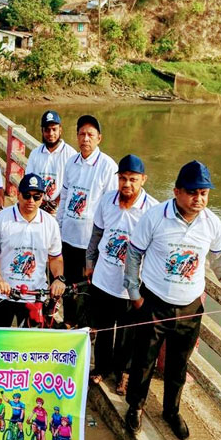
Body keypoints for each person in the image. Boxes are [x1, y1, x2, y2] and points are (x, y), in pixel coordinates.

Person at [123, 161, 221, 440]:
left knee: (179, 364)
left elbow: (220, 259)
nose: (199, 199)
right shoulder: (155, 217)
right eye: (192, 192)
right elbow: (133, 254)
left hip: (190, 307)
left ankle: (171, 410)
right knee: (144, 359)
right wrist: (135, 294)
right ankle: (136, 407)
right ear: (176, 191)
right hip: (154, 302)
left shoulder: (211, 222)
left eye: (204, 193)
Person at [84, 155, 158, 394]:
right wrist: (89, 261)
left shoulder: (152, 210)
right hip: (104, 277)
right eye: (123, 179)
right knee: (103, 328)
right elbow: (96, 234)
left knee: (128, 333)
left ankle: (123, 373)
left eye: (133, 180)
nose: (127, 184)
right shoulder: (107, 201)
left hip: (132, 284)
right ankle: (102, 368)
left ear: (143, 180)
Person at [58, 115, 117, 327]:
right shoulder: (71, 163)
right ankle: (67, 323)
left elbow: (112, 208)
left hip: (90, 243)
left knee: (86, 289)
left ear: (99, 138)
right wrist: (58, 228)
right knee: (66, 284)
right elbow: (64, 197)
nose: (85, 139)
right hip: (68, 238)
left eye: (90, 135)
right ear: (76, 137)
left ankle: (84, 330)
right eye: (82, 134)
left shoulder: (108, 167)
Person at [0, 174, 65, 327]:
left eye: (37, 197)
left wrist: (58, 278)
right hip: (3, 294)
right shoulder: (2, 219)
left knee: (31, 346)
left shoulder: (50, 223)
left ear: (42, 198)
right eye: (27, 195)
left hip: (34, 296)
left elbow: (55, 258)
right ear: (18, 194)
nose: (31, 201)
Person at [25, 111, 77, 214]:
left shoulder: (71, 154)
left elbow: (73, 184)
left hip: (60, 211)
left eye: (54, 129)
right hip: (38, 208)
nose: (51, 134)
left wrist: (56, 202)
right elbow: (28, 180)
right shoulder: (35, 153)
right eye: (47, 130)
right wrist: (40, 201)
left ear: (60, 129)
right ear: (42, 131)